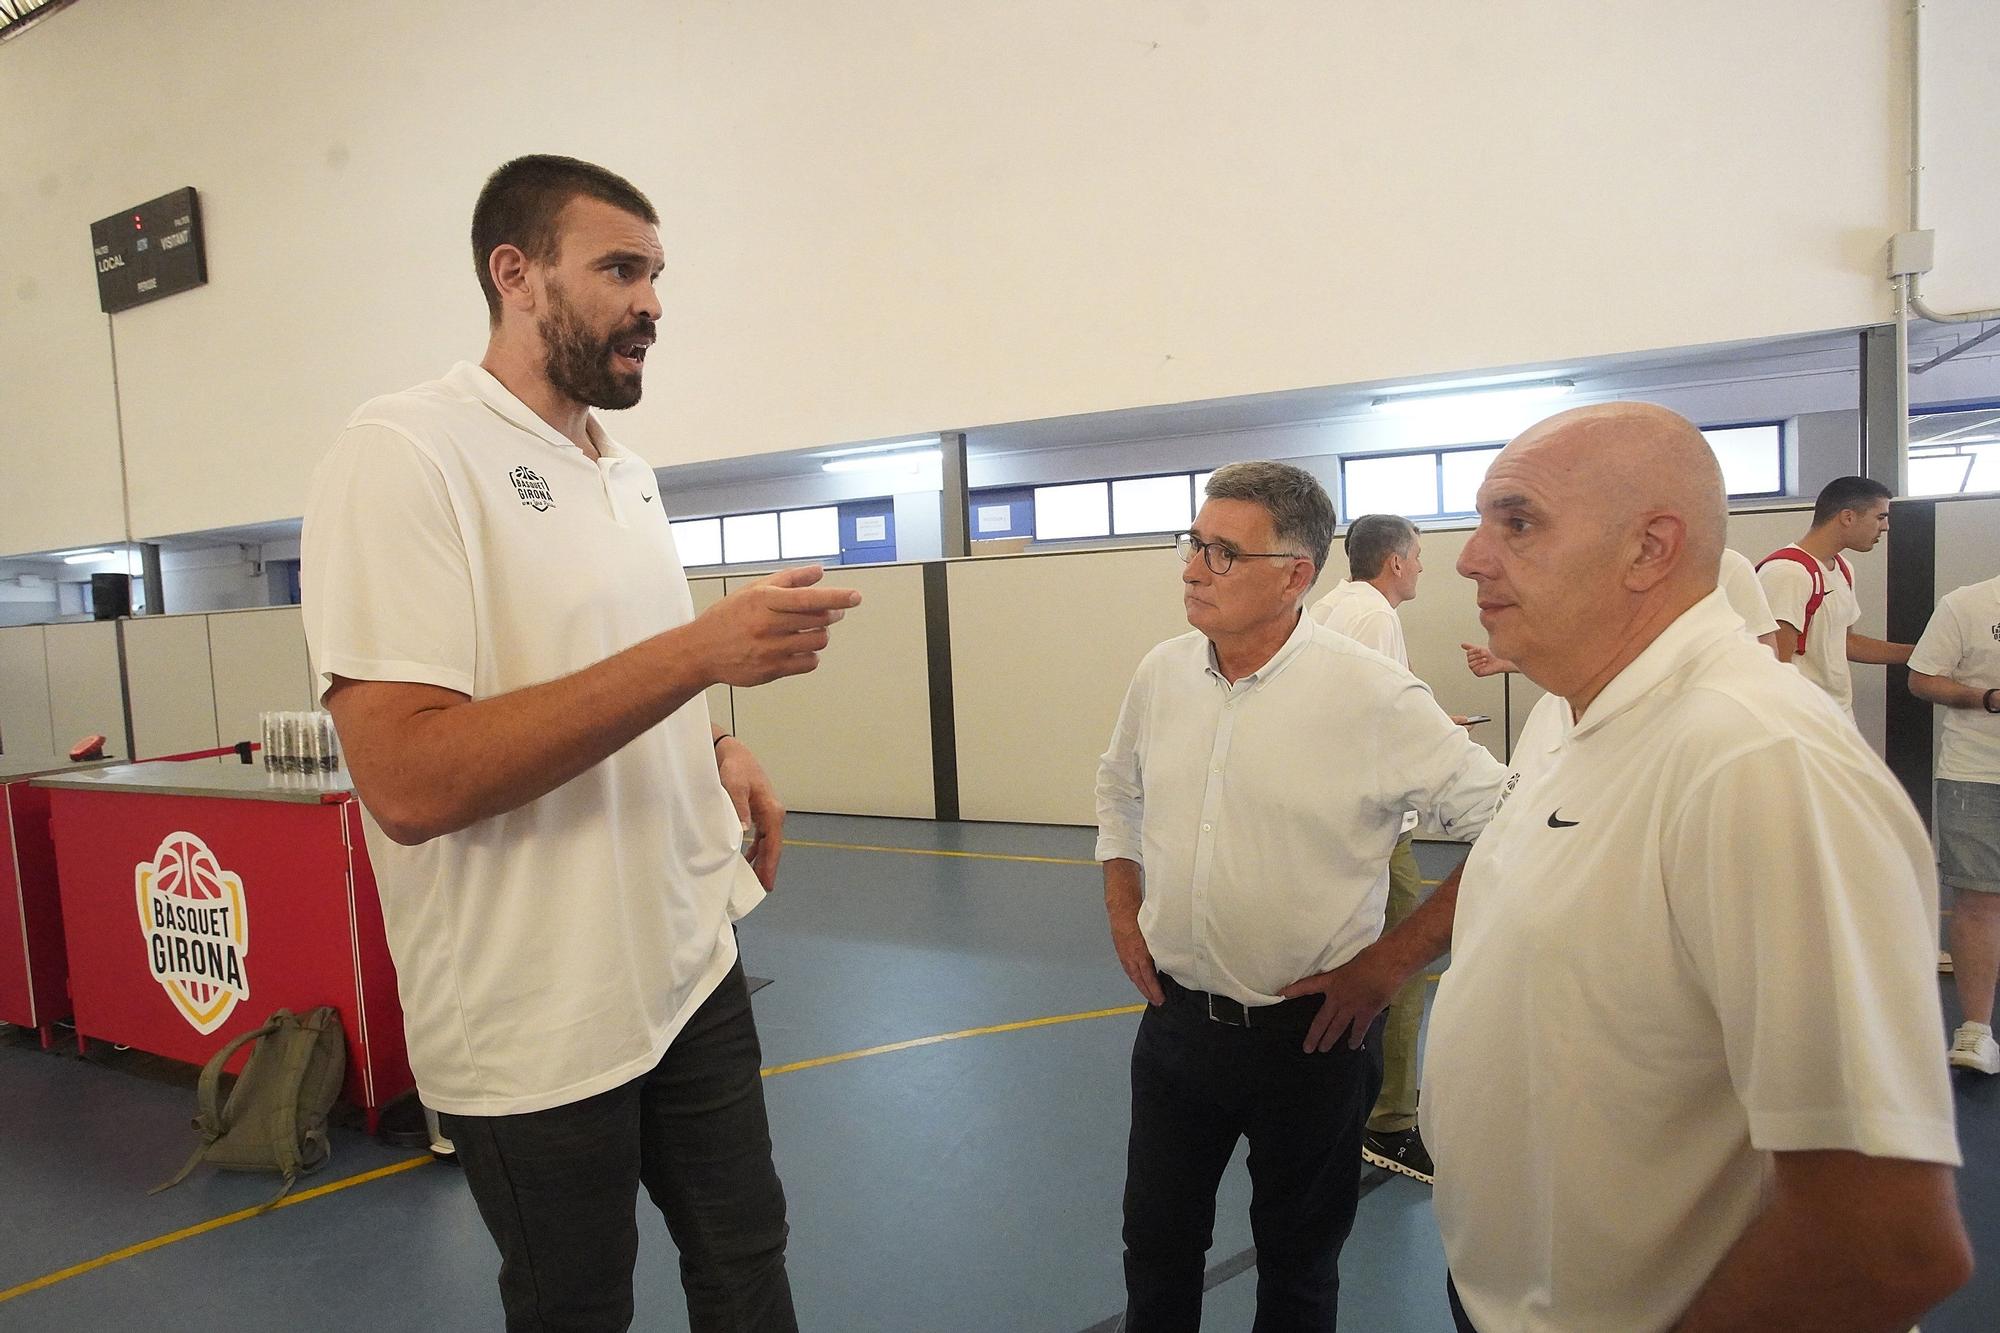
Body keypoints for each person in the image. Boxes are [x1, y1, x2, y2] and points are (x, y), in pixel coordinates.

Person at [302, 155, 860, 1332]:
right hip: (536, 1015)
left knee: (746, 1263)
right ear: (515, 274)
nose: (652, 301)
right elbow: (406, 778)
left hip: (686, 962)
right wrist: (699, 657)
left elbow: (626, 658)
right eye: (619, 268)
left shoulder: (627, 473)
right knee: (576, 1306)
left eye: (655, 274)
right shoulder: (403, 452)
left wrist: (712, 745)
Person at [1426, 402, 1968, 1332]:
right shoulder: (1588, 726)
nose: (1472, 558)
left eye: (1516, 522)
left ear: (1650, 548)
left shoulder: (1755, 761)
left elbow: (1880, 1241)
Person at [1096, 462, 1507, 1331]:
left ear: (1294, 575)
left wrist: (1392, 961)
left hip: (1312, 1043)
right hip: (1174, 1030)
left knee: (1298, 1267)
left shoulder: (1373, 694)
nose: (1193, 567)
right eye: (1193, 543)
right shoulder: (1162, 673)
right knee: (1155, 1252)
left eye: (1221, 552)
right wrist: (1120, 899)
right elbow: (1118, 788)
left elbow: (1512, 820)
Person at [1307, 513, 1460, 1184]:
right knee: (1401, 960)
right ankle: (1391, 1121)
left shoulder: (1329, 607)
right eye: (1419, 557)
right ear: (1395, 563)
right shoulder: (1375, 617)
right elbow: (1373, 722)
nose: (1423, 567)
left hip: (1329, 817)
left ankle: (1359, 1095)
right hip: (1373, 820)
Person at [1909, 570, 2000, 1074]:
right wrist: (1988, 698)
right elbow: (1922, 678)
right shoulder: (1966, 604)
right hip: (1976, 773)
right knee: (1979, 898)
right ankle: (1977, 1029)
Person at [1461, 546, 1778, 676]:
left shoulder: (1724, 566)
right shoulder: (1604, 575)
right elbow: (1594, 659)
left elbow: (1767, 654)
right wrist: (1514, 661)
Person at [1756, 475, 1913, 720]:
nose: (1885, 527)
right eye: (1880, 517)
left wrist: (1921, 654)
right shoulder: (1787, 573)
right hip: (1804, 721)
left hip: (1838, 716)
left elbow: (1845, 643)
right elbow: (1776, 665)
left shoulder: (1843, 568)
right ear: (1848, 517)